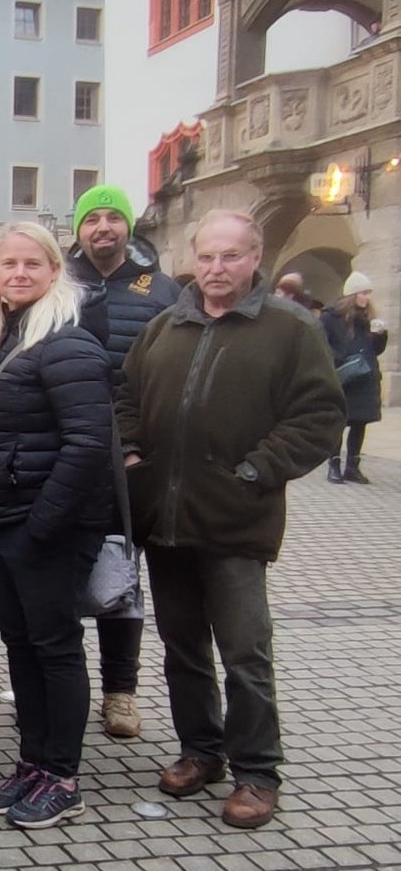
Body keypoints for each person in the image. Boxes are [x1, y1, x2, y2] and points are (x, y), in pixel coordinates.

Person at [117, 209, 345, 829]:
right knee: (183, 646)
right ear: (194, 258)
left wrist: (257, 470)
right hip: (163, 520)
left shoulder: (289, 329)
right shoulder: (166, 326)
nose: (218, 270)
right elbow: (126, 396)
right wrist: (132, 448)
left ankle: (257, 772)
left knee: (246, 652)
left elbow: (320, 415)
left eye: (231, 257)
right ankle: (201, 750)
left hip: (236, 521)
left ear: (254, 257)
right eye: (208, 257)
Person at [0, 222, 113, 829]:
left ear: (55, 271)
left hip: (45, 529)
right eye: (9, 264)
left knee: (54, 649)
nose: (19, 273)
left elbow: (87, 445)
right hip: (5, 524)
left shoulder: (67, 343)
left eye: (33, 263)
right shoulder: (9, 340)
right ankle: (33, 762)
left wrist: (41, 526)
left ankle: (63, 774)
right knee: (20, 646)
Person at [67, 184, 182, 740]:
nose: (103, 228)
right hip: (64, 447)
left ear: (128, 227)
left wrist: (138, 445)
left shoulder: (161, 290)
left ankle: (120, 693)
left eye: (114, 218)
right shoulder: (58, 281)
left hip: (129, 454)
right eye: (93, 219)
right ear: (79, 229)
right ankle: (55, 683)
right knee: (57, 570)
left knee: (120, 576)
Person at [321, 271, 388, 484]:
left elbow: (375, 350)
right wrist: (341, 359)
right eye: (364, 293)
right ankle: (334, 464)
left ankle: (352, 466)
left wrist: (380, 335)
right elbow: (322, 344)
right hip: (344, 378)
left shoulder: (368, 319)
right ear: (352, 294)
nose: (367, 297)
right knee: (339, 422)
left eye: (369, 293)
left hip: (365, 378)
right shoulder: (330, 318)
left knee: (360, 423)